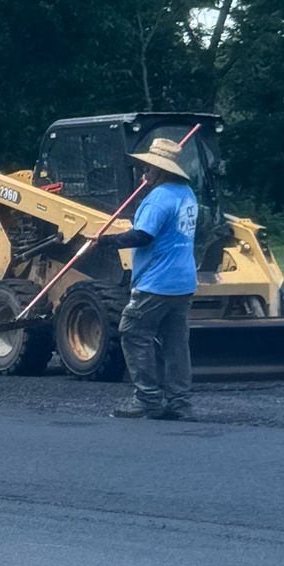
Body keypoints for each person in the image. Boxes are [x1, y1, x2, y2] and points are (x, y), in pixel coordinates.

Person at [103, 135, 201, 420]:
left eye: (147, 169)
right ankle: (179, 402)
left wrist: (107, 241)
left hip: (156, 282)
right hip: (183, 282)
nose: (143, 174)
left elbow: (143, 235)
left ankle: (147, 398)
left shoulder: (157, 199)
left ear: (160, 171)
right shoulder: (186, 195)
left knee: (133, 332)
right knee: (175, 343)